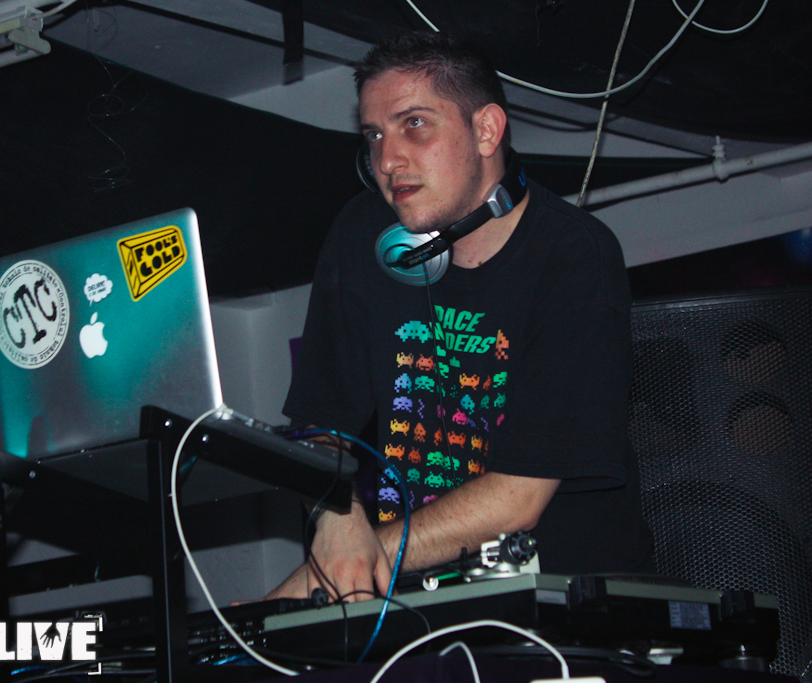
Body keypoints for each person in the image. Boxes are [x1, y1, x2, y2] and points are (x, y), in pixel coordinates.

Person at [270, 31, 654, 603]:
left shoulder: (573, 255)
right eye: (373, 135)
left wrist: (347, 564)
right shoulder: (361, 233)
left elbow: (517, 499)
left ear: (486, 130)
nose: (387, 160)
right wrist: (336, 516)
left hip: (566, 607)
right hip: (418, 599)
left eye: (414, 124)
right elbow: (320, 427)